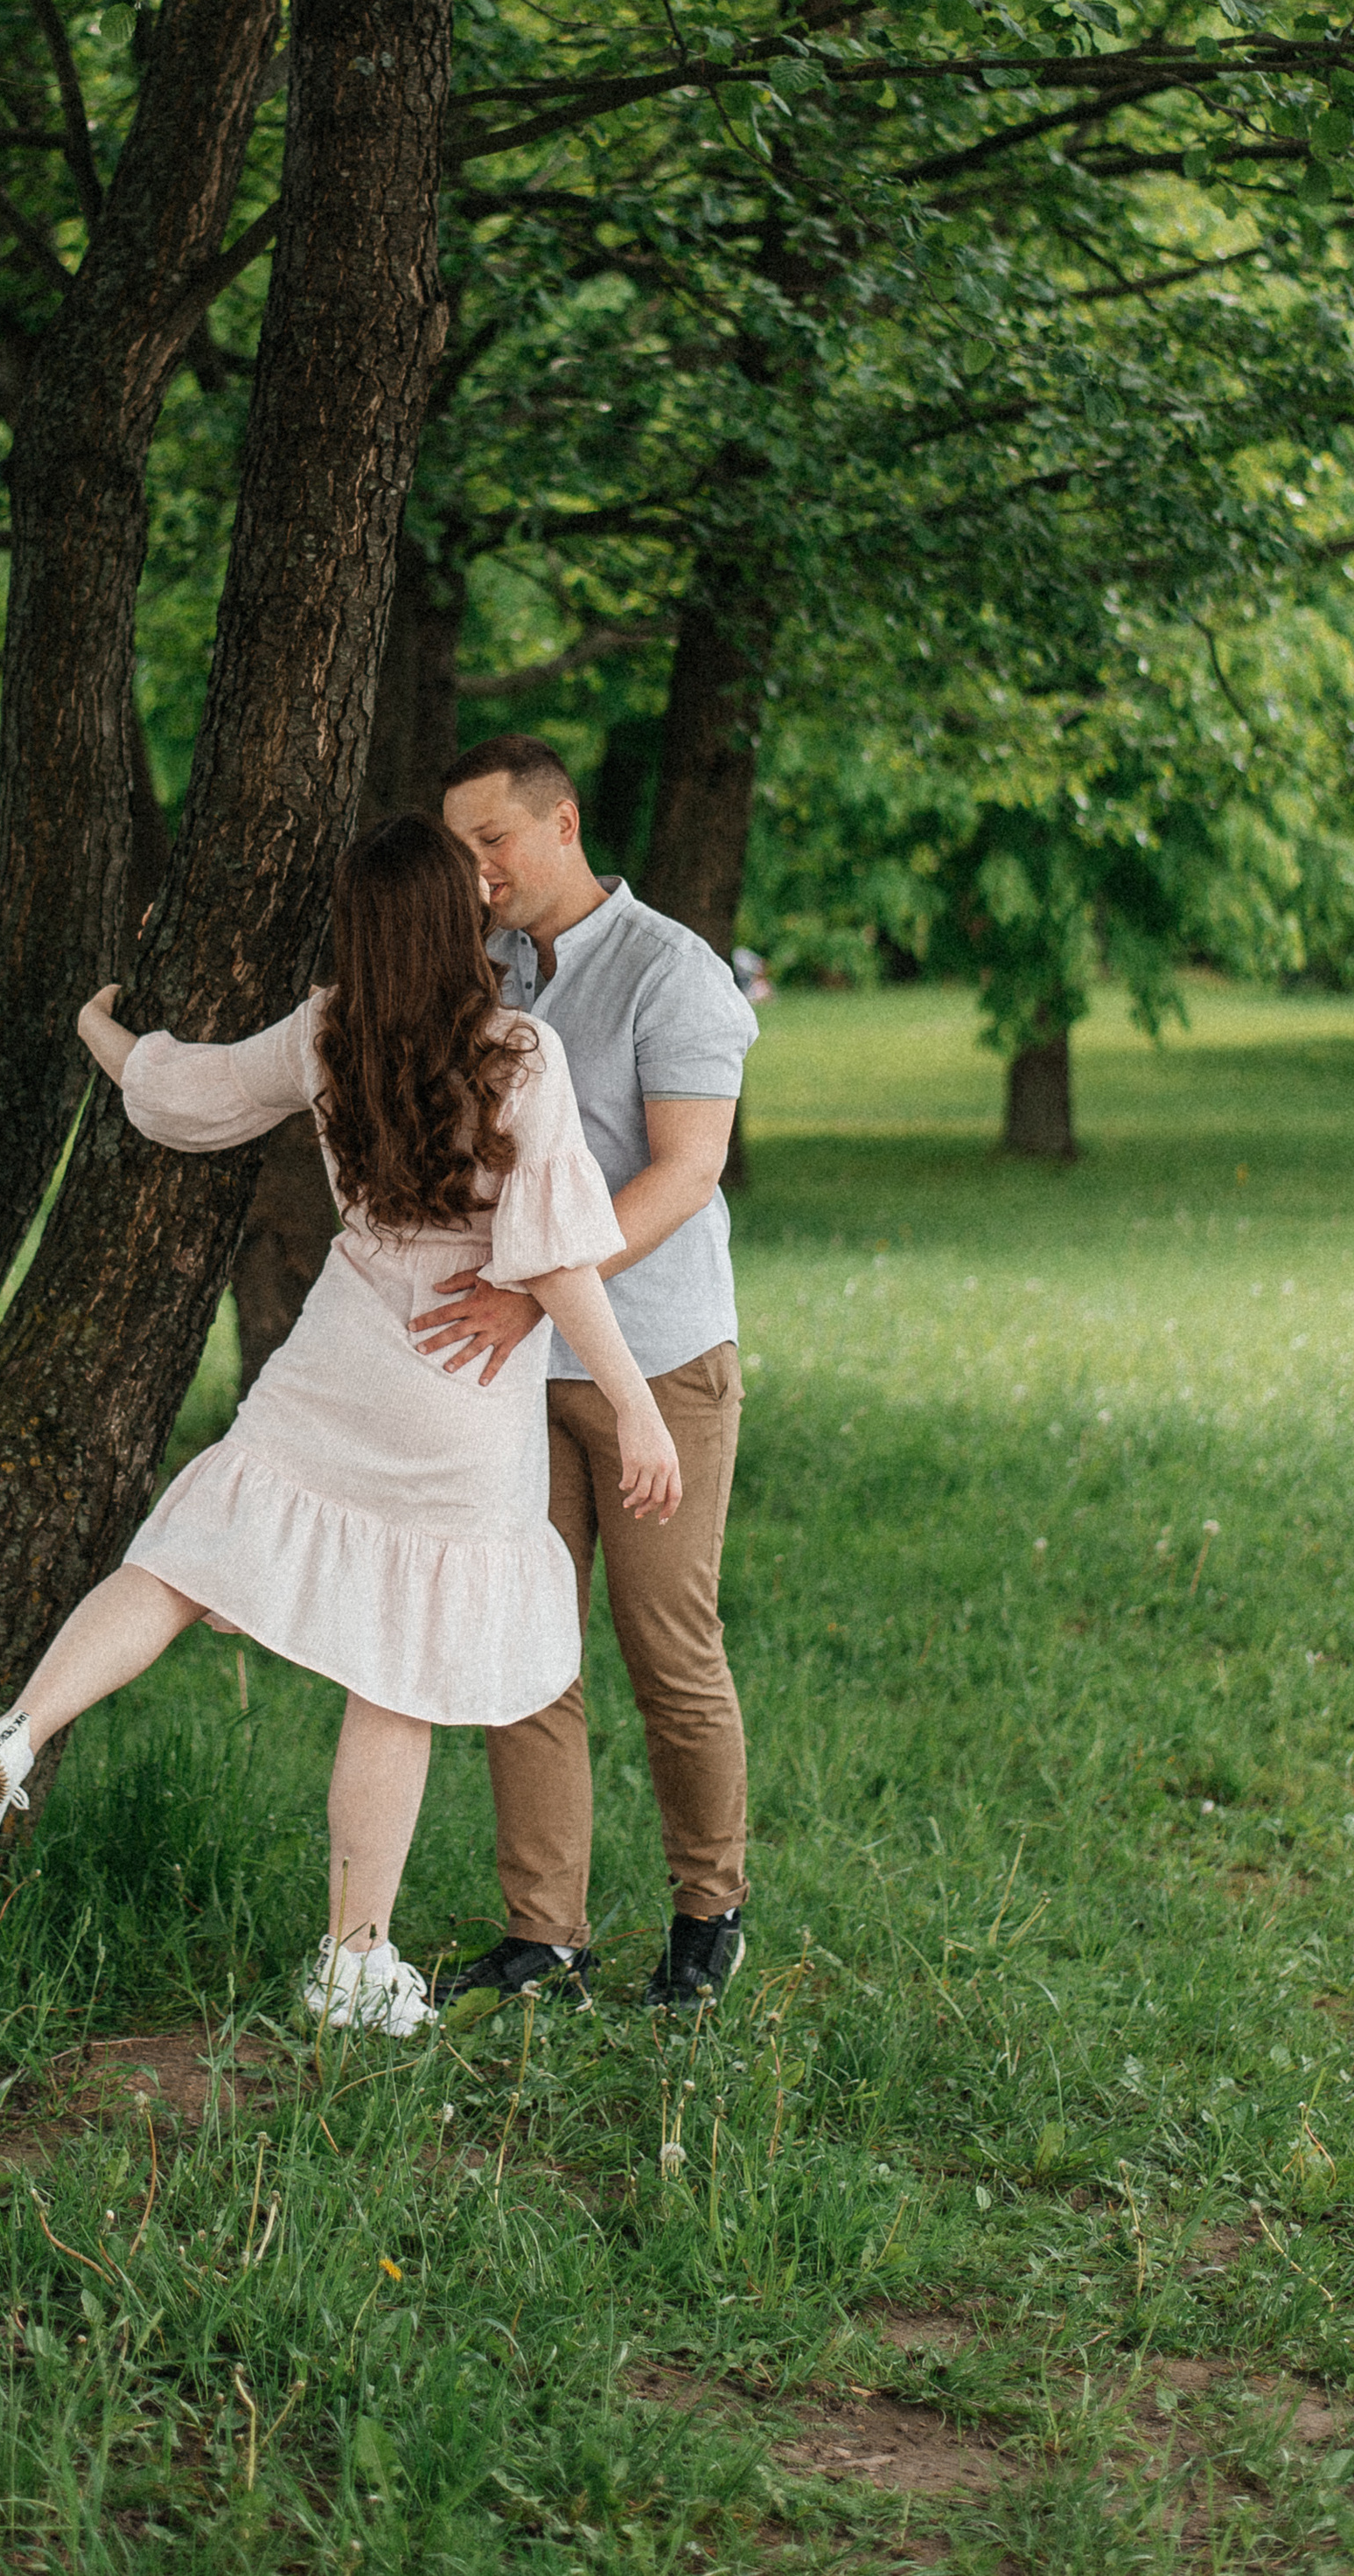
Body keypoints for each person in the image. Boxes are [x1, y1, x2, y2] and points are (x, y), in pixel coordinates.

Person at [0, 811, 681, 2038]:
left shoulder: (327, 1032)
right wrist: (638, 1413)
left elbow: (189, 1092)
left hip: (334, 1361)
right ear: (460, 918)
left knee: (176, 1562)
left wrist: (99, 1028)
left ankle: (15, 1733)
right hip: (459, 1396)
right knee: (399, 1678)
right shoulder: (518, 1054)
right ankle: (350, 1959)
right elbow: (561, 1260)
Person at [421, 736, 761, 2013]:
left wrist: (531, 1284)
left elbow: (685, 1170)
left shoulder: (671, 972)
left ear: (562, 827)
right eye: (457, 851)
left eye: (490, 844)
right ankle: (543, 1938)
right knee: (527, 1648)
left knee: (667, 1646)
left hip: (657, 1360)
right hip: (514, 1371)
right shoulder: (488, 972)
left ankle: (707, 1911)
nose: (476, 872)